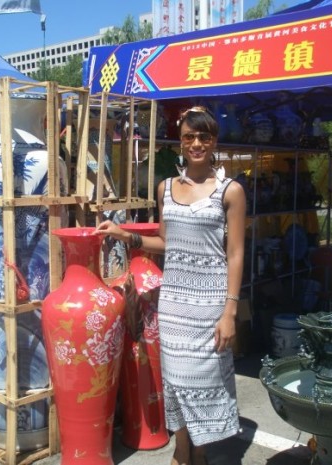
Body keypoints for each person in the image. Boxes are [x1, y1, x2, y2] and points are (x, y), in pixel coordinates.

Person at [94, 106, 246, 465]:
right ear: (180, 142)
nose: (196, 144)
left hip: (210, 303)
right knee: (176, 380)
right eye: (189, 137)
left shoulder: (231, 191)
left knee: (204, 380)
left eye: (204, 137)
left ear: (214, 141)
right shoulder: (165, 188)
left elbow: (236, 254)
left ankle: (201, 450)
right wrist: (125, 235)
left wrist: (230, 310)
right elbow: (165, 242)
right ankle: (181, 449)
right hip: (174, 302)